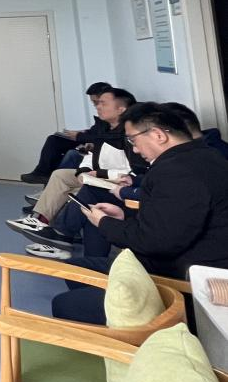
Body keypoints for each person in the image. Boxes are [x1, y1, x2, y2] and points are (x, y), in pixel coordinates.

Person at [52, 102, 228, 324]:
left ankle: (133, 335)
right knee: (76, 269)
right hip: (179, 260)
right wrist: (124, 217)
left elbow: (154, 242)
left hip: (185, 280)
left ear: (158, 135)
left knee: (64, 303)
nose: (134, 149)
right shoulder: (207, 157)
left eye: (133, 140)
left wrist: (105, 223)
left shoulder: (177, 171)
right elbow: (172, 221)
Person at [8, 87, 138, 246]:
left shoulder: (129, 134)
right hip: (97, 175)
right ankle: (39, 220)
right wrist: (84, 171)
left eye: (103, 103)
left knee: (81, 180)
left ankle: (61, 233)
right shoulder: (104, 128)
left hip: (115, 180)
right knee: (61, 175)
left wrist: (100, 174)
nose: (98, 107)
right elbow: (92, 155)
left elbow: (132, 172)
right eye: (97, 103)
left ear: (121, 109)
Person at [22, 81, 112, 184]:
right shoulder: (104, 114)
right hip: (92, 142)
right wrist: (83, 132)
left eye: (96, 102)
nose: (95, 106)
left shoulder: (115, 115)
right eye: (94, 103)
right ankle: (42, 173)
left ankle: (52, 183)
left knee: (71, 154)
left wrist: (80, 136)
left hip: (101, 150)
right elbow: (97, 131)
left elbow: (107, 137)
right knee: (54, 140)